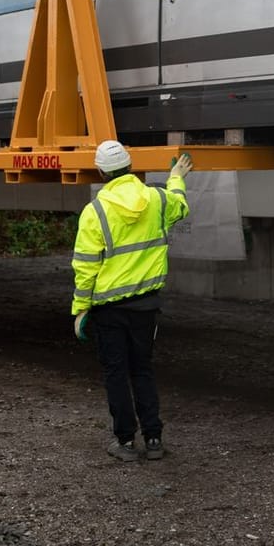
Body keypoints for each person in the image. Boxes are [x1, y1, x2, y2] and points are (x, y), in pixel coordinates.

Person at [72, 141, 191, 462]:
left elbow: (85, 266)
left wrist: (80, 309)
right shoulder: (155, 199)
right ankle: (154, 439)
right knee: (143, 370)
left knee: (116, 373)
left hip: (107, 311)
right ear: (131, 165)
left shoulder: (95, 211)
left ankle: (125, 442)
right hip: (146, 307)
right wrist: (176, 176)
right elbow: (180, 204)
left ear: (101, 172)